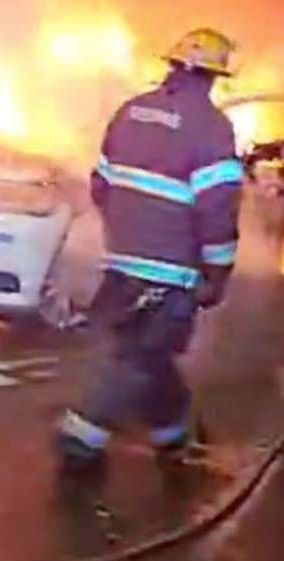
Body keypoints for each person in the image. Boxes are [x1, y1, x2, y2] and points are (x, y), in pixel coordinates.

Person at [56, 27, 244, 473]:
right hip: (171, 274)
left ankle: (173, 433)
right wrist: (217, 273)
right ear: (214, 76)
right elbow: (217, 212)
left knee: (149, 354)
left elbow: (101, 184)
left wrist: (126, 232)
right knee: (139, 357)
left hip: (122, 263)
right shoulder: (212, 128)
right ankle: (82, 434)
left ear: (173, 66)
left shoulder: (131, 111)